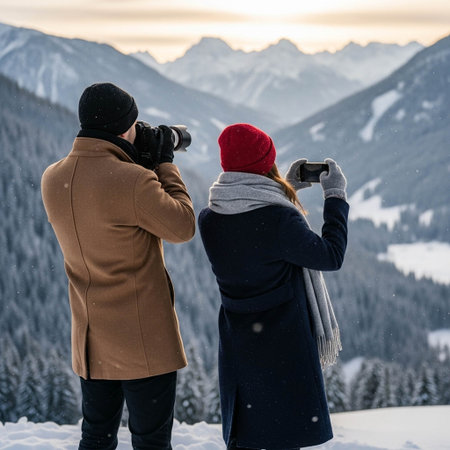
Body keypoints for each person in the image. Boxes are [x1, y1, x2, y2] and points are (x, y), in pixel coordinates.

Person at [41, 82, 195, 449]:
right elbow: (183, 225)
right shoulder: (135, 181)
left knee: (96, 436)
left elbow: (101, 204)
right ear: (126, 128)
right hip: (144, 342)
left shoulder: (53, 177)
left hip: (92, 340)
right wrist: (164, 164)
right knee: (151, 441)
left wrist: (132, 161)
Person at [198, 123, 349, 450]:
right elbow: (330, 255)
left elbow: (251, 231)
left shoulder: (210, 217)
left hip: (239, 341)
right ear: (265, 164)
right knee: (284, 435)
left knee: (248, 434)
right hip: (283, 344)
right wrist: (335, 197)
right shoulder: (280, 221)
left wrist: (285, 187)